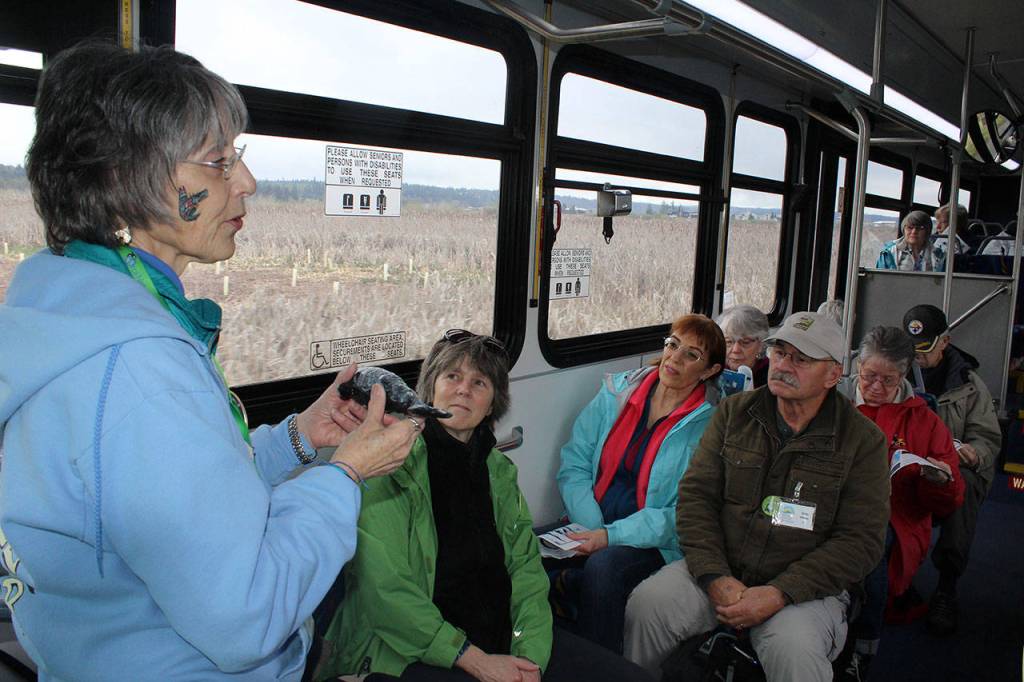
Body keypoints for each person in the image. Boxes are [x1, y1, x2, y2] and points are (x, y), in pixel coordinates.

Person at [0, 41, 419, 680]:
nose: (247, 182)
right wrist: (347, 475)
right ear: (123, 181)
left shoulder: (76, 314)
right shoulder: (140, 370)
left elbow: (183, 505)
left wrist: (300, 442)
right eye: (219, 162)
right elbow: (246, 616)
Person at [317, 330, 655, 682]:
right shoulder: (390, 465)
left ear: (493, 403)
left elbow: (526, 570)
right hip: (412, 648)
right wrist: (474, 659)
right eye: (452, 376)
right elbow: (386, 592)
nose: (464, 389)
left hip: (503, 636)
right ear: (430, 387)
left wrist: (530, 658)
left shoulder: (498, 471)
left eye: (480, 382)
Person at [623, 311, 891, 682]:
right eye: (780, 353)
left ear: (833, 374)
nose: (784, 366)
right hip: (721, 568)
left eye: (802, 359)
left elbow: (860, 541)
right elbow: (697, 498)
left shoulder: (862, 441)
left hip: (805, 590)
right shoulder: (735, 413)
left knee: (794, 651)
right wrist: (715, 575)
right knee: (649, 604)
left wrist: (781, 592)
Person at [551, 314, 724, 653]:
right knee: (521, 548)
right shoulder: (617, 393)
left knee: (603, 570)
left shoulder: (710, 426)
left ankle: (599, 671)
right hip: (592, 521)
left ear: (709, 371)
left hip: (654, 541)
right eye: (672, 344)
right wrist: (594, 528)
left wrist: (610, 538)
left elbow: (683, 513)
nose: (675, 358)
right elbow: (574, 464)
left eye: (692, 355)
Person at [842, 326, 964, 680]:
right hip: (830, 502)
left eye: (888, 379)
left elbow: (946, 503)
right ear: (857, 367)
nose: (876, 387)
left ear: (905, 375)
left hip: (896, 516)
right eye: (869, 377)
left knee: (873, 543)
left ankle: (863, 646)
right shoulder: (833, 402)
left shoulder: (923, 421)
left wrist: (938, 480)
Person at [903, 304, 1000, 636]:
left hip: (951, 468)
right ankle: (892, 577)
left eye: (925, 350)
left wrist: (974, 454)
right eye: (912, 349)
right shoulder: (891, 375)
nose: (918, 358)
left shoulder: (969, 385)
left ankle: (946, 584)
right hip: (903, 462)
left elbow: (986, 437)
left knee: (967, 485)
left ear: (945, 341)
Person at [716, 305, 770, 387]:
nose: (735, 350)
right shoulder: (714, 370)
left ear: (761, 345)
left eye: (745, 342)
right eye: (729, 341)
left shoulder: (770, 377)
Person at [876, 210, 946, 272]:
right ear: (904, 229)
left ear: (927, 231)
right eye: (910, 227)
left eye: (920, 228)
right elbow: (881, 280)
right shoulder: (889, 252)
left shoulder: (938, 255)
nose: (914, 231)